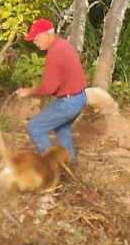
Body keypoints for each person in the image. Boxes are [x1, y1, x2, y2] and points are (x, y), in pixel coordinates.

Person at [13, 18, 88, 164]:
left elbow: (49, 87)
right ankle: (69, 166)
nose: (35, 42)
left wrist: (28, 92)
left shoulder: (55, 54)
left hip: (68, 103)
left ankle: (51, 167)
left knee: (35, 128)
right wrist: (40, 94)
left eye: (36, 38)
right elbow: (58, 80)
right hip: (80, 97)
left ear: (46, 34)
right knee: (62, 130)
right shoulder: (63, 44)